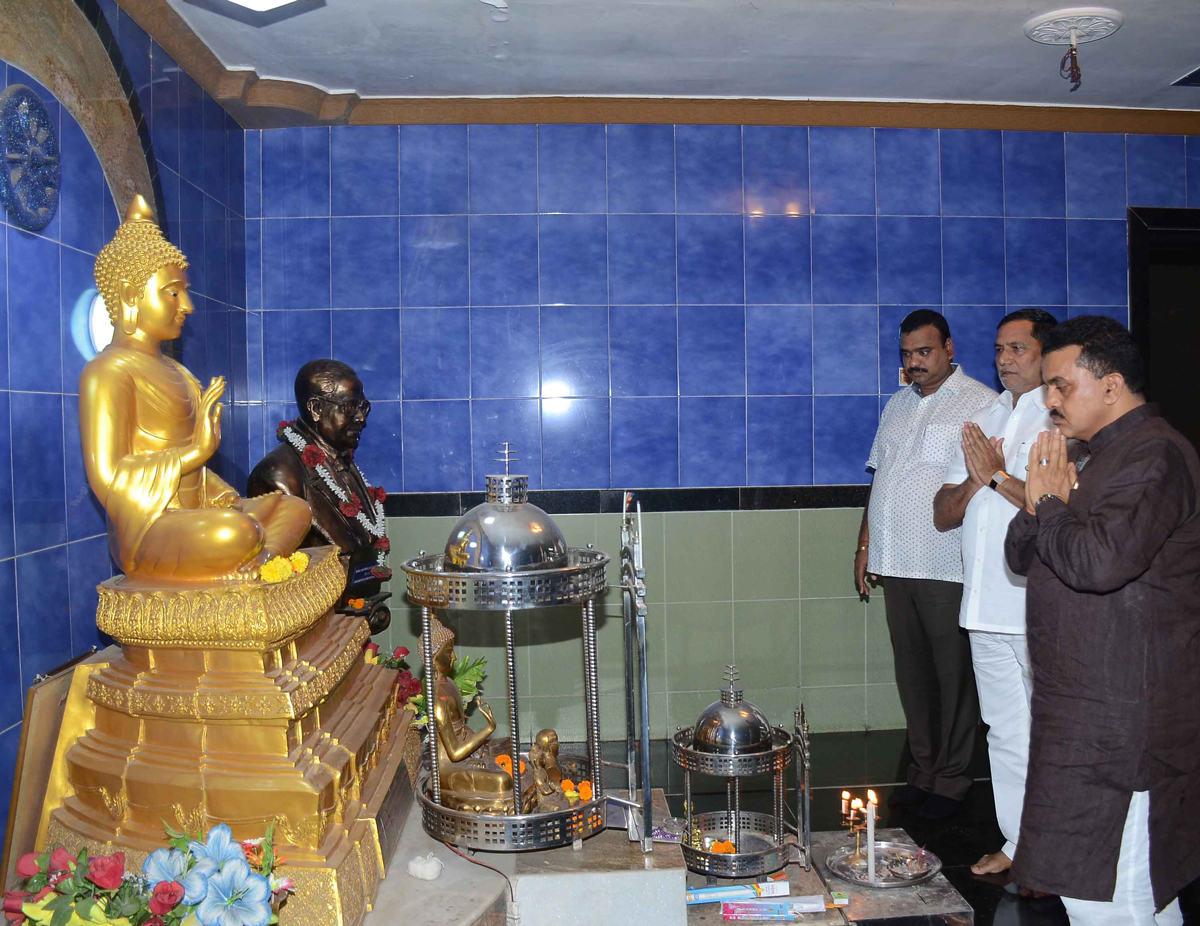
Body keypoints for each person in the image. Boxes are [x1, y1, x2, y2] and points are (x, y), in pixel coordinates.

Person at [1005, 316, 1199, 925]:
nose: (1050, 401)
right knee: (1089, 892)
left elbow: (1098, 563)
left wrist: (1052, 503)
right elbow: (1020, 550)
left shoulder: (1155, 456)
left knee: (1122, 894)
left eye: (1062, 386)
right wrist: (1047, 501)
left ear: (1111, 386)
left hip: (1126, 724)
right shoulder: (1093, 456)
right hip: (1083, 712)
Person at [856, 309, 997, 819]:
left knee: (953, 678)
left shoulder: (981, 403)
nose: (914, 362)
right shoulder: (896, 405)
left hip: (947, 565)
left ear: (949, 348)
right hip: (895, 562)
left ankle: (954, 780)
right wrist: (865, 544)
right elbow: (881, 481)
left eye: (924, 352)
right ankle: (922, 770)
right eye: (907, 354)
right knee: (913, 677)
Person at [933, 309, 1057, 879]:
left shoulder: (1058, 417)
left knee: (1051, 732)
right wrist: (977, 477)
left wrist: (995, 477)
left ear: (1047, 353)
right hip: (984, 604)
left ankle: (1059, 851)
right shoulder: (983, 417)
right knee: (1005, 732)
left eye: (1017, 349)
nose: (1004, 359)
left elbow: (1052, 511)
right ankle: (1018, 841)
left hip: (1035, 606)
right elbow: (947, 511)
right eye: (999, 350)